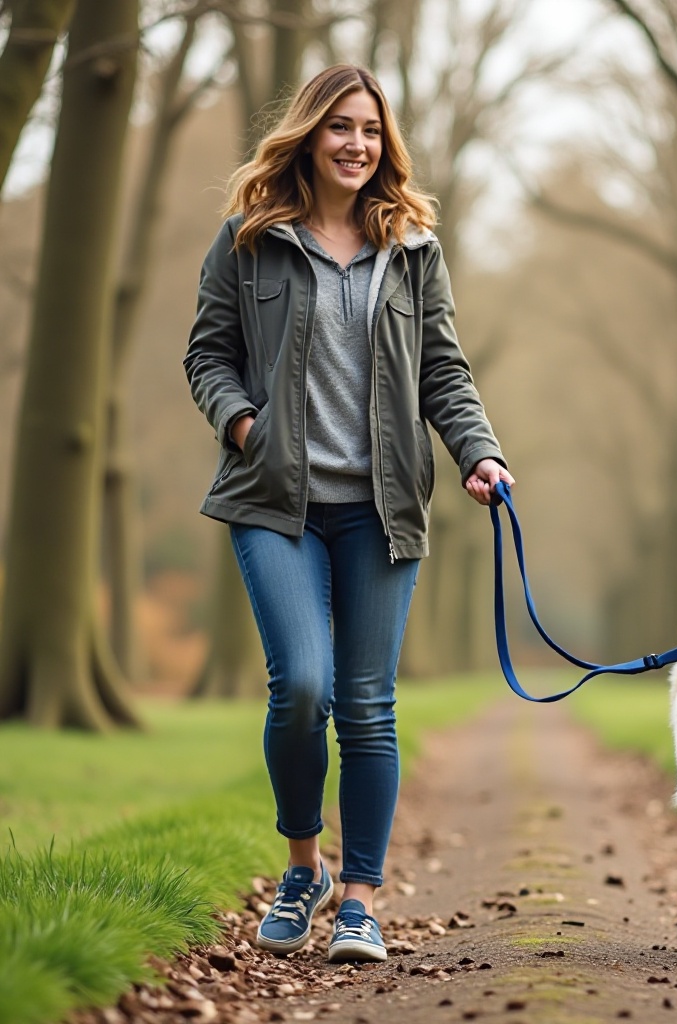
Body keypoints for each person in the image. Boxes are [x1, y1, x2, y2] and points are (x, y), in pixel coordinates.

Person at [183, 64, 513, 964]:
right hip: (273, 502)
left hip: (381, 507)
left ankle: (360, 899)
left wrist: (477, 452)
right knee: (300, 687)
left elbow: (444, 370)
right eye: (338, 127)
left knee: (366, 707)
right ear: (309, 135)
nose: (355, 143)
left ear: (386, 142)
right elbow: (207, 354)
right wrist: (243, 424)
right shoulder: (250, 240)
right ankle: (303, 867)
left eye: (370, 128)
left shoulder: (413, 248)